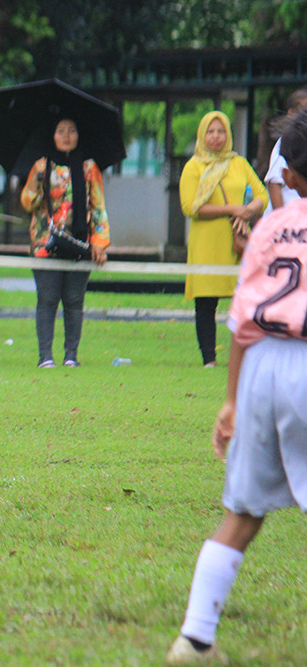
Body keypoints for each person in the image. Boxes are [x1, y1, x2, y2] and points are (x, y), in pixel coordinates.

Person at [166, 107, 307, 665]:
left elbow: (241, 320)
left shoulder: (271, 226)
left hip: (261, 368)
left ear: (288, 176)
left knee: (243, 514)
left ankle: (194, 638)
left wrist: (229, 401)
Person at [20, 117, 111, 368]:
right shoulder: (41, 165)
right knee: (47, 298)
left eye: (72, 130)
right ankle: (45, 356)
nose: (66, 135)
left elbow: (99, 206)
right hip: (44, 244)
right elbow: (28, 203)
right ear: (53, 135)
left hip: (80, 244)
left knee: (74, 299)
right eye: (61, 131)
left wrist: (100, 242)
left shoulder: (88, 168)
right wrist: (39, 179)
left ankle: (71, 355)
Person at [179, 111, 267, 368]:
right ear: (202, 135)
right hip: (207, 243)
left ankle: (245, 356)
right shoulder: (194, 166)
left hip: (237, 243)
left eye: (221, 131)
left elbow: (262, 194)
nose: (216, 137)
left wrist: (248, 210)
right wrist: (232, 210)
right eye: (210, 131)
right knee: (206, 302)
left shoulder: (238, 163)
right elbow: (190, 207)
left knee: (245, 298)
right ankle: (209, 358)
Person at [263, 88, 307, 215]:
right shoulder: (287, 142)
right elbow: (274, 183)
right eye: (302, 110)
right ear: (290, 113)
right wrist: (281, 220)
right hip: (289, 220)